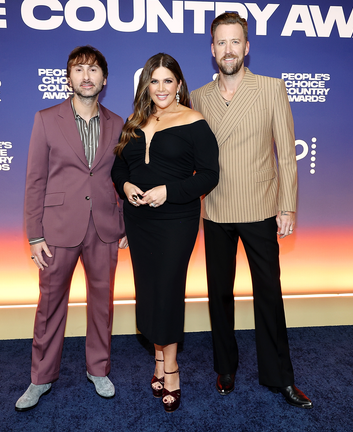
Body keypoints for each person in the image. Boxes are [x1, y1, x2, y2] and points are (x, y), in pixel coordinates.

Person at [190, 12, 313, 409]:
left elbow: (287, 155)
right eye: (221, 43)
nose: (228, 49)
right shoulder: (199, 97)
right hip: (217, 207)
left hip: (260, 206)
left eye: (235, 41)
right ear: (212, 50)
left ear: (247, 46)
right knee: (219, 295)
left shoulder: (271, 88)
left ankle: (280, 376)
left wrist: (287, 205)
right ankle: (225, 368)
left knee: (268, 294)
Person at [16, 45, 128, 412]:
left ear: (104, 80)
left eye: (93, 70)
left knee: (102, 304)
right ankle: (40, 377)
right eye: (79, 70)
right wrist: (35, 235)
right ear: (69, 78)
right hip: (58, 229)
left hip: (104, 227)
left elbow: (122, 177)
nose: (86, 76)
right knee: (49, 305)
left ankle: (98, 369)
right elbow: (35, 179)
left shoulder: (118, 123)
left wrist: (123, 222)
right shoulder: (46, 119)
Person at [111, 53, 219, 413]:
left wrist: (169, 191)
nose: (160, 88)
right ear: (146, 85)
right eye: (154, 81)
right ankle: (157, 361)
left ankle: (171, 369)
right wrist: (125, 186)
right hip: (139, 221)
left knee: (169, 291)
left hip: (176, 221)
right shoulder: (134, 120)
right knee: (148, 290)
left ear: (179, 84)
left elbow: (208, 176)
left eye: (167, 81)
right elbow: (117, 169)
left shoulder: (194, 121)